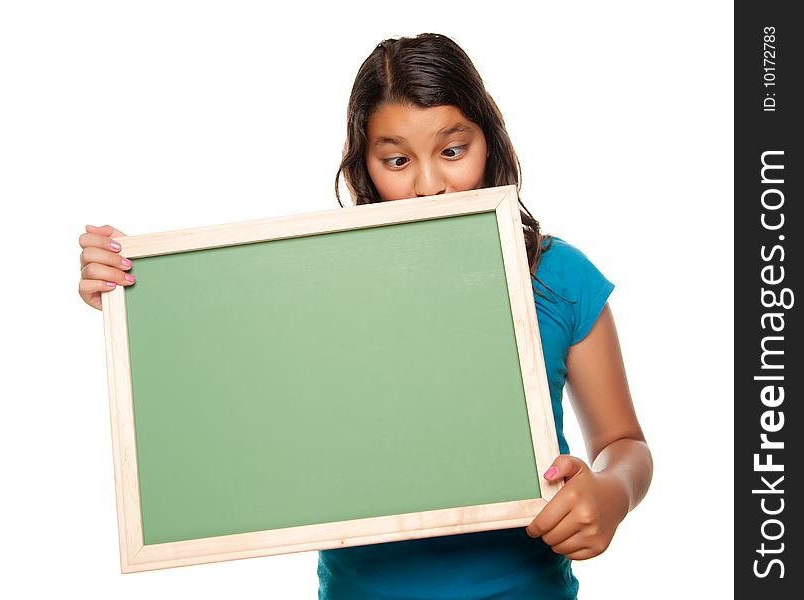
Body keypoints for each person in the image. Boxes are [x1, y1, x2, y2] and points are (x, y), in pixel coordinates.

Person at [78, 33, 652, 600]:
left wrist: (611, 493)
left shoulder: (560, 278)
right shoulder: (324, 282)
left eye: (453, 151)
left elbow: (624, 442)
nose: (429, 185)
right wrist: (139, 286)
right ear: (366, 165)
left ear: (490, 142)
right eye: (397, 160)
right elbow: (225, 358)